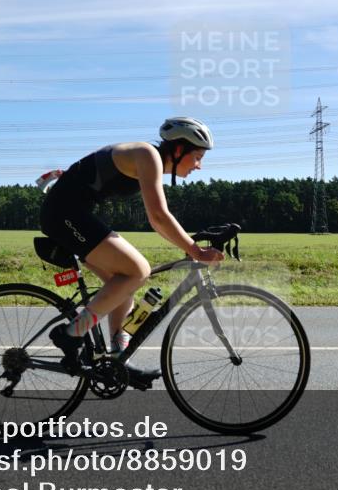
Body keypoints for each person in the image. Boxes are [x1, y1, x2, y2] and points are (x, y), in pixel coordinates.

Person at [40, 117, 225, 389]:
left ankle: (117, 360)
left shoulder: (149, 160)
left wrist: (191, 242)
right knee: (139, 270)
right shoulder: (148, 155)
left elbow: (158, 220)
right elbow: (158, 217)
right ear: (178, 150)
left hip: (71, 212)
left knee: (123, 287)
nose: (199, 165)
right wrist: (194, 250)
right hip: (64, 215)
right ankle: (71, 334)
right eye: (197, 156)